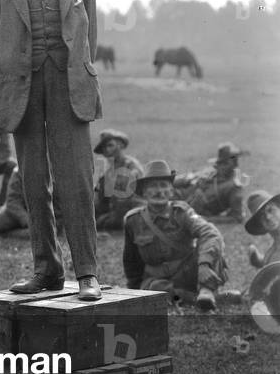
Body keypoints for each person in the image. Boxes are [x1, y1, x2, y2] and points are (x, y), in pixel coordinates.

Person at [0, 0, 102, 301]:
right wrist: (16, 78)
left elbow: (90, 39)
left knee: (77, 180)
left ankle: (87, 273)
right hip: (23, 90)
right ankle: (47, 270)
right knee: (33, 182)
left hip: (70, 88)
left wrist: (72, 72)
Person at [123, 160, 228, 310]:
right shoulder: (133, 221)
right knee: (155, 289)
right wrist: (133, 292)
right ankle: (199, 298)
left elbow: (210, 233)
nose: (159, 191)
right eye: (153, 186)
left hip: (188, 273)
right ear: (144, 192)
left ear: (171, 191)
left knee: (212, 241)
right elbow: (131, 261)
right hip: (159, 281)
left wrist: (204, 265)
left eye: (164, 185)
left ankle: (206, 290)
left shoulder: (182, 212)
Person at [174, 142, 248, 222]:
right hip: (176, 194)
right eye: (220, 163)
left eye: (226, 163)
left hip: (186, 209)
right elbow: (184, 179)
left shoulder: (235, 188)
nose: (221, 167)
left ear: (234, 165)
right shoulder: (212, 172)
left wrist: (206, 219)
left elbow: (237, 218)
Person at [93, 129, 144, 230]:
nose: (107, 150)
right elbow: (99, 198)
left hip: (132, 208)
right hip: (113, 210)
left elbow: (123, 195)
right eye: (104, 147)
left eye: (110, 145)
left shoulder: (131, 165)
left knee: (105, 222)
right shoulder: (107, 171)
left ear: (120, 145)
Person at [246, 191, 280, 268]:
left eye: (270, 210)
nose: (268, 217)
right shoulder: (273, 250)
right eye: (261, 215)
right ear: (260, 224)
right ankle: (263, 262)